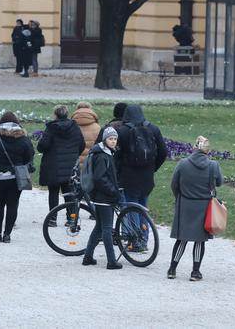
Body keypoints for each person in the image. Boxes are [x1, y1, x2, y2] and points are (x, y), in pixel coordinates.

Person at [169, 136, 223, 281]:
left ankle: (172, 269)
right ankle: (195, 272)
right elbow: (219, 182)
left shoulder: (183, 163)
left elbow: (174, 185)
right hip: (204, 206)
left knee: (182, 239)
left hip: (185, 205)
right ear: (207, 151)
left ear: (194, 148)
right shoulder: (213, 165)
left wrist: (179, 198)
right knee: (199, 241)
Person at [115, 105, 168, 244]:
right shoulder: (153, 129)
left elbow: (118, 156)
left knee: (132, 207)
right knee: (143, 207)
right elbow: (163, 152)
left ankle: (136, 240)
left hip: (128, 175)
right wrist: (153, 167)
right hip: (147, 175)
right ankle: (144, 238)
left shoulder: (123, 131)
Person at [0, 111, 35, 243]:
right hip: (15, 177)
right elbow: (29, 157)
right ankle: (7, 234)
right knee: (13, 205)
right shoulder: (23, 139)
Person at [81, 126, 124, 269]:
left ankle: (88, 256)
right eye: (110, 139)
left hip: (99, 196)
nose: (113, 141)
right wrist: (114, 192)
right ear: (105, 140)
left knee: (99, 227)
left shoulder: (105, 152)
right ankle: (111, 261)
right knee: (106, 228)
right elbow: (100, 178)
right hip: (104, 197)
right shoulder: (102, 156)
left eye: (115, 139)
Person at [37, 104, 85, 226]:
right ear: (67, 114)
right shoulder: (74, 127)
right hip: (70, 166)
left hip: (52, 165)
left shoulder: (51, 128)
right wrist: (73, 154)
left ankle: (52, 219)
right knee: (69, 193)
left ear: (55, 114)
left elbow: (42, 146)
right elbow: (81, 145)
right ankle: (72, 218)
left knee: (53, 193)